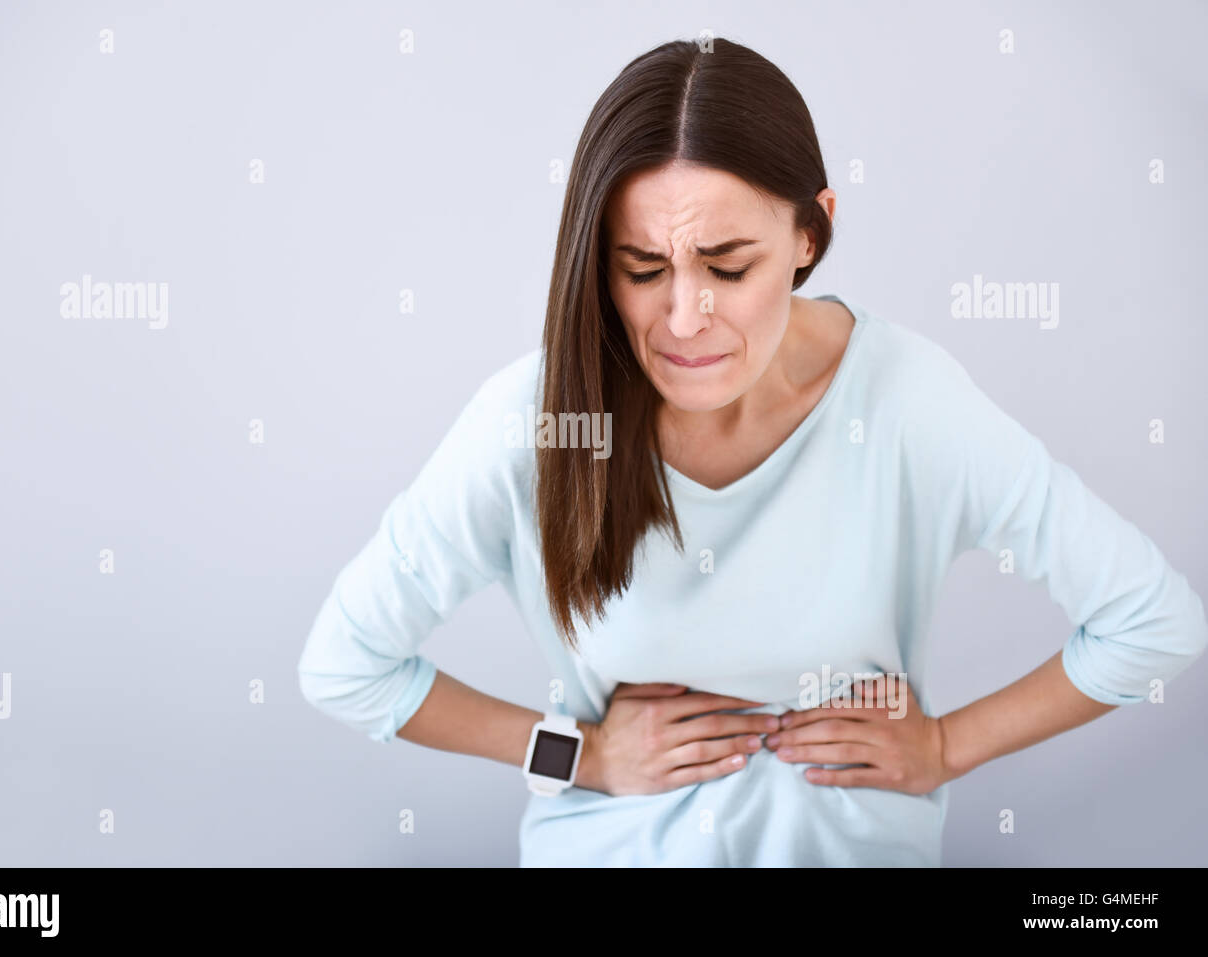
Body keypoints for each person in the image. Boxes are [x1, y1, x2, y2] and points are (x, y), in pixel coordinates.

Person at [296, 37, 1208, 866]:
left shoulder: (907, 404)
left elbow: (1154, 621)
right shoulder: (538, 419)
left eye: (728, 268)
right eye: (642, 268)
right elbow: (344, 662)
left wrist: (945, 746)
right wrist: (578, 750)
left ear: (810, 234)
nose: (684, 319)